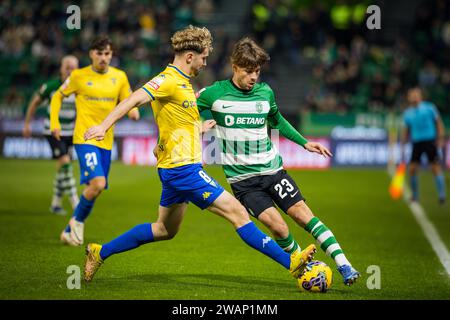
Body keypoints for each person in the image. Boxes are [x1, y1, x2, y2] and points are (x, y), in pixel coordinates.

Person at [82, 25, 316, 283]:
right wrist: (104, 126)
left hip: (174, 168)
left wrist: (197, 127)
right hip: (184, 169)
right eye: (204, 57)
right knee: (238, 213)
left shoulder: (183, 84)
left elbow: (174, 120)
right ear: (190, 56)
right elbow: (134, 99)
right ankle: (292, 263)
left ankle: (99, 251)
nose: (206, 63)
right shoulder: (168, 80)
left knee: (163, 229)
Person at [196, 37, 360, 285]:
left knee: (304, 216)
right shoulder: (213, 94)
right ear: (235, 67)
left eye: (258, 72)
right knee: (279, 228)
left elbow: (278, 120)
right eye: (249, 71)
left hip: (273, 171)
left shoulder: (265, 92)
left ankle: (344, 265)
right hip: (244, 182)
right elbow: (184, 110)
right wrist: (198, 124)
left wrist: (305, 142)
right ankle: (303, 265)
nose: (254, 77)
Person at [50, 36, 140, 246]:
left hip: (106, 142)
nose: (103, 58)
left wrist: (133, 111)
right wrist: (55, 122)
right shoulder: (78, 76)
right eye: (99, 53)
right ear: (91, 54)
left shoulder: (119, 77)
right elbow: (57, 96)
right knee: (97, 183)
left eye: (107, 54)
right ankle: (77, 222)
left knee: (96, 188)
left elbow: (128, 100)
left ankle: (68, 229)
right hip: (85, 138)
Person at [23, 55, 80, 215]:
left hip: (70, 133)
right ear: (61, 69)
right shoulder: (51, 86)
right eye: (67, 67)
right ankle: (76, 203)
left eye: (73, 67)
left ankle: (55, 204)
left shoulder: (79, 88)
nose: (70, 70)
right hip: (53, 131)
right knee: (66, 164)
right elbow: (34, 102)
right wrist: (27, 124)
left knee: (62, 167)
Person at [402, 87, 446, 204]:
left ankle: (442, 195)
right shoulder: (407, 113)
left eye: (416, 95)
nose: (414, 97)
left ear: (420, 96)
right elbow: (406, 129)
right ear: (408, 98)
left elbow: (439, 123)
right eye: (412, 95)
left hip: (430, 141)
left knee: (435, 168)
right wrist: (404, 141)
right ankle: (415, 195)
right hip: (417, 143)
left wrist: (440, 137)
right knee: (412, 169)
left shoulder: (429, 108)